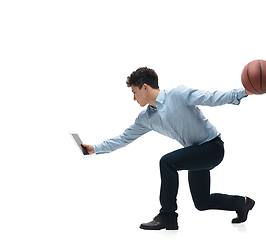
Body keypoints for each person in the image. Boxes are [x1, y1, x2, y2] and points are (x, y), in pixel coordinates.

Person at [82, 67, 255, 230]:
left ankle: (168, 216)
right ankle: (242, 203)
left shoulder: (178, 94)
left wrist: (244, 92)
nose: (134, 98)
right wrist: (94, 148)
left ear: (145, 87)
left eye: (134, 92)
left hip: (212, 148)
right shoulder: (146, 118)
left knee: (167, 162)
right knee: (202, 203)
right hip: (195, 153)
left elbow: (211, 97)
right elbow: (123, 138)